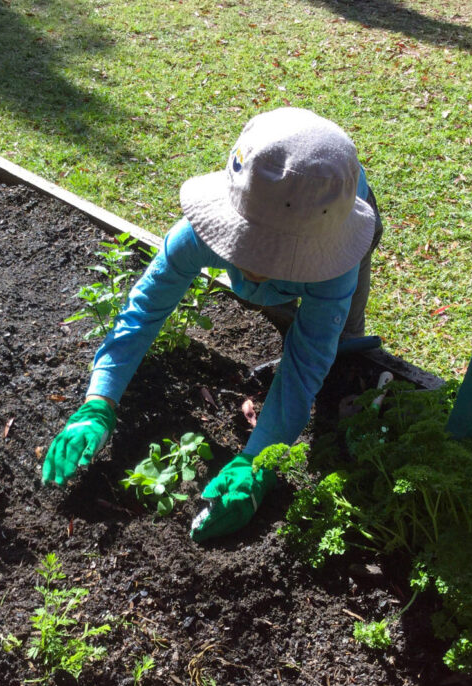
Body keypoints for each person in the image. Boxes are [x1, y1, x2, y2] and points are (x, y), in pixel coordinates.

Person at [42, 107, 383, 542]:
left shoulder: (334, 258)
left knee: (337, 340)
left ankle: (339, 382)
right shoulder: (200, 233)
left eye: (274, 257)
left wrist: (258, 460)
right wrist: (99, 400)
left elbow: (306, 361)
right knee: (281, 309)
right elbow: (144, 309)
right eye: (250, 249)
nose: (254, 271)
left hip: (337, 217)